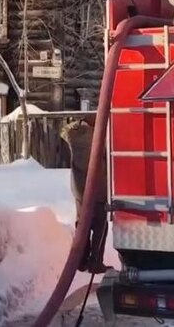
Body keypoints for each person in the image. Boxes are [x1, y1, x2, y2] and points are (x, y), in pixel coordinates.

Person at [60, 116, 108, 274]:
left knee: (83, 224)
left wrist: (77, 124)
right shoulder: (98, 137)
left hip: (79, 188)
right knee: (101, 225)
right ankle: (95, 262)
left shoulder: (73, 135)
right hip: (98, 188)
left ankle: (81, 260)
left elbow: (63, 132)